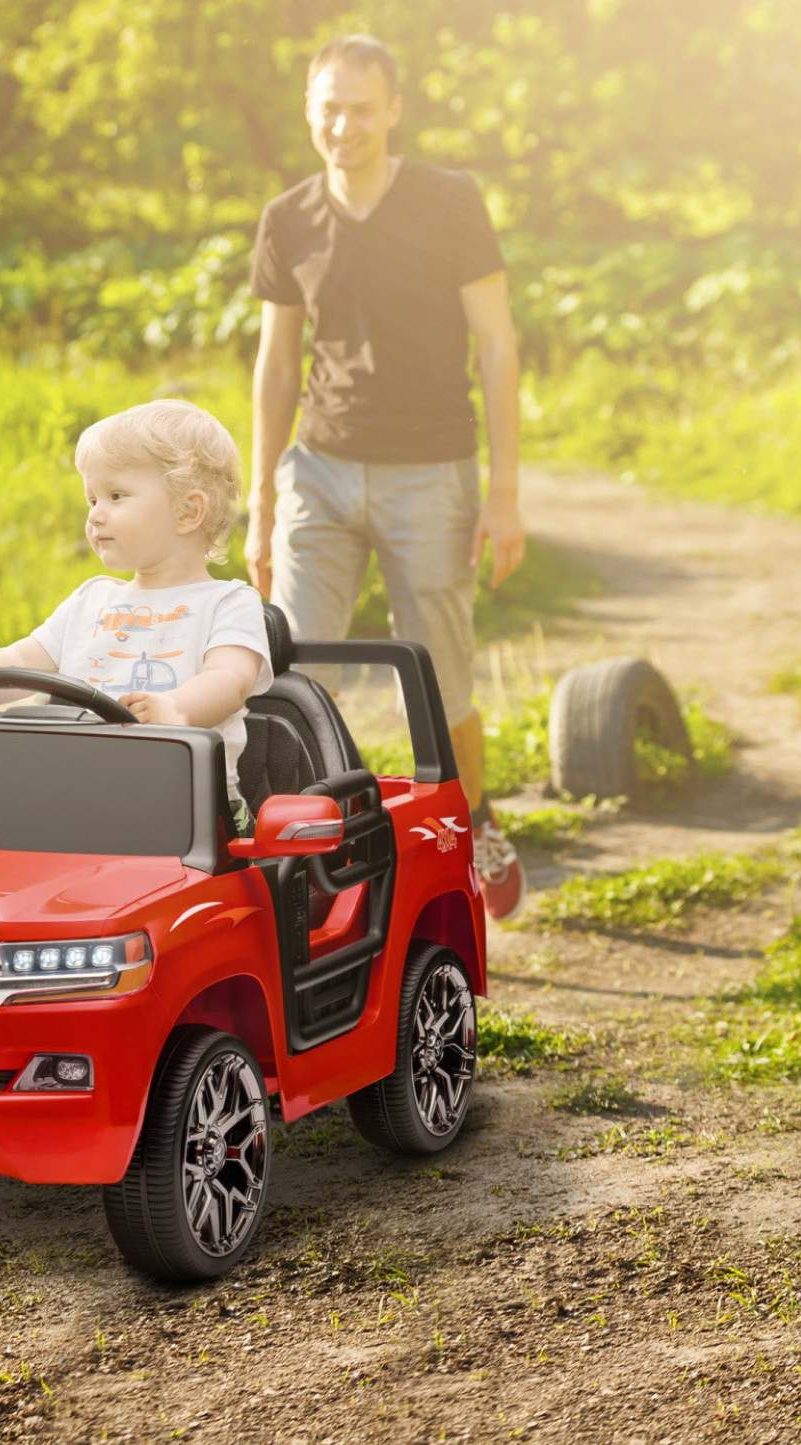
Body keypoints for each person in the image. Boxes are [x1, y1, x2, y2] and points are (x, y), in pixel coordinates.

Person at [244, 32, 529, 919]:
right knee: (288, 672)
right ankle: (307, 863)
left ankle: (470, 823)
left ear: (393, 109)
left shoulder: (449, 201)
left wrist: (505, 491)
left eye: (362, 107)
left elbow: (497, 341)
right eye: (328, 107)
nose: (344, 125)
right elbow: (277, 364)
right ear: (308, 112)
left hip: (431, 472)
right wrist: (259, 503)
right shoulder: (288, 218)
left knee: (440, 682)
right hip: (318, 473)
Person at [0, 399, 274, 835]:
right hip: (76, 800)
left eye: (116, 496)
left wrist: (175, 709)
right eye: (92, 498)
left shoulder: (228, 602)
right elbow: (24, 661)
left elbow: (230, 681)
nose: (95, 514)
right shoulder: (91, 600)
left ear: (187, 511)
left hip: (189, 811)